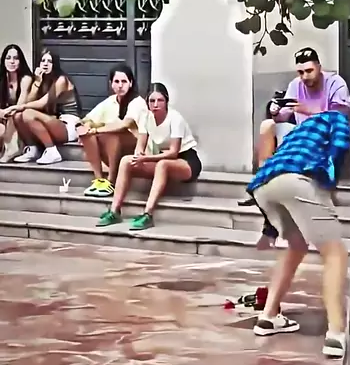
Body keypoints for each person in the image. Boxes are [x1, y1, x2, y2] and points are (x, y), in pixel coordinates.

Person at [246, 107, 350, 359]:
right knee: (335, 254)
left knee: (296, 247)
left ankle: (268, 316)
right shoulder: (338, 119)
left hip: (264, 185)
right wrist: (329, 182)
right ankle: (338, 333)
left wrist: (269, 229)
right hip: (298, 181)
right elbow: (339, 147)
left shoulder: (300, 130)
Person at [239, 47, 350, 206]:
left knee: (311, 138)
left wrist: (308, 110)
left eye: (309, 71)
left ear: (319, 67)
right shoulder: (295, 84)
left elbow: (341, 116)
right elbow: (283, 116)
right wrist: (276, 112)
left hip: (334, 133)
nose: (305, 76)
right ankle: (262, 184)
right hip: (302, 133)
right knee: (267, 125)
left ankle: (318, 188)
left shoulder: (335, 82)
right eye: (300, 72)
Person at [95, 83, 202, 230]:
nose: (156, 105)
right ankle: (114, 211)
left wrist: (145, 159)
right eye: (152, 101)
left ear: (166, 102)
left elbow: (173, 152)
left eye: (160, 100)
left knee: (163, 164)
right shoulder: (146, 117)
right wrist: (138, 155)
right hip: (161, 158)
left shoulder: (175, 118)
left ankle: (148, 214)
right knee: (126, 161)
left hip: (186, 160)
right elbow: (141, 144)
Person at [77, 63, 147, 198]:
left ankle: (111, 181)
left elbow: (125, 124)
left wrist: (96, 130)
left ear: (131, 83)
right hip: (112, 151)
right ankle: (99, 180)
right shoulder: (110, 101)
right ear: (111, 84)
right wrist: (87, 127)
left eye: (124, 81)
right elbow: (88, 119)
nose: (120, 85)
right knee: (87, 134)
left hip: (134, 151)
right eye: (116, 81)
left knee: (112, 135)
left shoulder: (137, 101)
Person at [4, 49, 81, 165]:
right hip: (53, 121)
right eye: (43, 61)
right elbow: (29, 101)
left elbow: (42, 103)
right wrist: (37, 82)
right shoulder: (43, 80)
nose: (45, 64)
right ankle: (33, 149)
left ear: (55, 64)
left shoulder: (61, 80)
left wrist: (18, 107)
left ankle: (52, 152)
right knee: (18, 116)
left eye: (49, 61)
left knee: (27, 113)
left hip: (68, 125)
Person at [0, 44, 33, 163]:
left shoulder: (26, 79)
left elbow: (20, 104)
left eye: (16, 58)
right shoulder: (2, 78)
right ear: (3, 61)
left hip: (19, 116)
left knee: (14, 115)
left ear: (21, 61)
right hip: (3, 117)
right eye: (8, 58)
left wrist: (5, 112)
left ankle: (12, 150)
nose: (12, 62)